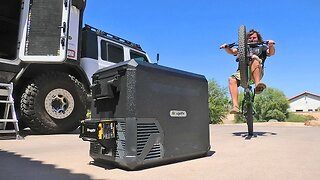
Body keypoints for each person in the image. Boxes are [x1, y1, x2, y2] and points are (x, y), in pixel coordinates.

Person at [220, 29, 275, 114]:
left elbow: (271, 53)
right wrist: (226, 47)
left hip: (256, 71)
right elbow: (232, 51)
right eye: (250, 38)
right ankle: (235, 106)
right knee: (231, 79)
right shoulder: (243, 48)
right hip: (242, 72)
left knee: (254, 58)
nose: (252, 39)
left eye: (254, 37)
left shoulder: (262, 47)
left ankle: (258, 85)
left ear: (258, 39)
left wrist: (271, 45)